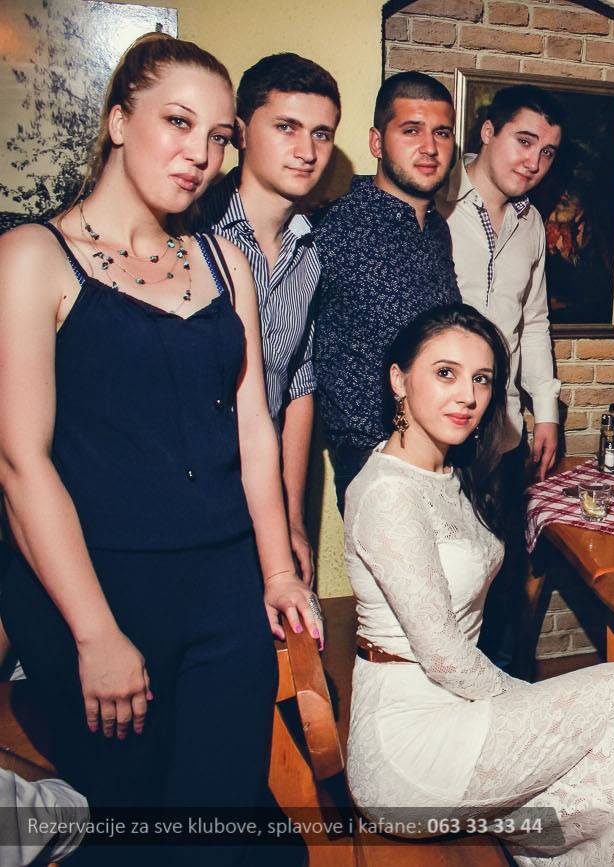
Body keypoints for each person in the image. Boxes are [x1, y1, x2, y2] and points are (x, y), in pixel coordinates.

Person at [0, 32, 315, 863]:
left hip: (224, 585)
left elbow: (254, 427)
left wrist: (278, 570)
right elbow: (21, 464)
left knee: (218, 825)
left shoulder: (224, 261)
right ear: (117, 121)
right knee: (132, 830)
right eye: (178, 122)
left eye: (218, 136)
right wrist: (95, 634)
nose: (200, 155)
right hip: (97, 586)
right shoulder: (33, 256)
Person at [344, 304, 614, 865]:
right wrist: (536, 703)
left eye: (481, 379)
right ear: (399, 380)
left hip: (460, 713)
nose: (467, 396)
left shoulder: (448, 471)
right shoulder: (388, 494)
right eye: (445, 373)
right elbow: (445, 657)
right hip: (410, 750)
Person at [199, 53, 341, 585]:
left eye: (322, 134)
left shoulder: (311, 251)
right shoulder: (193, 233)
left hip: (266, 497)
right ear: (240, 132)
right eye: (286, 127)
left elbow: (297, 384)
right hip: (195, 494)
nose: (307, 151)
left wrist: (292, 518)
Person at [437, 86, 564, 670]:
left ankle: (503, 698)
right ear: (487, 131)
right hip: (440, 434)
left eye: (547, 152)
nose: (533, 163)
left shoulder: (531, 223)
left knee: (500, 585)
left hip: (504, 432)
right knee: (443, 589)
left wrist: (546, 412)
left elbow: (533, 321)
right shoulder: (436, 203)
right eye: (524, 141)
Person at [315, 71, 461, 508]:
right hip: (373, 462)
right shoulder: (335, 228)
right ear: (377, 143)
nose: (430, 147)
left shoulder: (437, 229)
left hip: (442, 456)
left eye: (442, 133)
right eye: (411, 131)